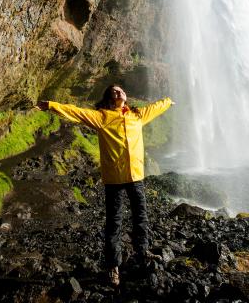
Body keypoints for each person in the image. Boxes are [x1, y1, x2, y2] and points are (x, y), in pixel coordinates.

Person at [36, 85, 173, 286]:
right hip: (114, 179)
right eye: (114, 92)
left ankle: (143, 253)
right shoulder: (102, 117)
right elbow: (76, 112)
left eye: (120, 90)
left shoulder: (137, 115)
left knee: (141, 217)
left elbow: (155, 107)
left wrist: (168, 101)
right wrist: (51, 105)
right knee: (114, 223)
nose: (119, 93)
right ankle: (113, 267)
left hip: (136, 176)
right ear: (109, 99)